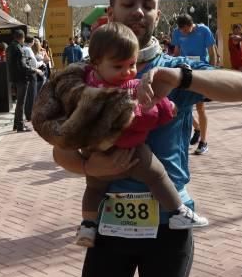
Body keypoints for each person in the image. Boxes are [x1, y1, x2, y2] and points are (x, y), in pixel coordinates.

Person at [35, 0, 242, 277]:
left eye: (148, 4)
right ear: (111, 10)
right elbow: (59, 148)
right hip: (109, 222)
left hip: (168, 225)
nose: (139, 11)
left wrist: (183, 78)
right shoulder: (88, 75)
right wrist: (88, 167)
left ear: (158, 14)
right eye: (129, 3)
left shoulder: (173, 68)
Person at [47, 22, 209, 247]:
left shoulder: (82, 86)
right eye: (118, 67)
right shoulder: (131, 86)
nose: (127, 72)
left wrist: (88, 165)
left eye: (132, 64)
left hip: (95, 155)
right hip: (132, 152)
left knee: (93, 187)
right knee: (158, 176)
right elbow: (146, 116)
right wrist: (166, 110)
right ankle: (177, 212)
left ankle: (88, 224)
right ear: (96, 64)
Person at [171, 14, 217, 155]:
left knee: (200, 107)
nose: (184, 32)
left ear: (192, 24)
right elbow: (177, 52)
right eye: (182, 30)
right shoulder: (176, 33)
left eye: (187, 30)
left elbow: (212, 52)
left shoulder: (204, 30)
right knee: (180, 106)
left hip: (201, 72)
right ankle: (196, 128)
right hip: (185, 72)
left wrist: (211, 73)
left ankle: (203, 142)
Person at [6, 29, 35, 132]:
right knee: (21, 103)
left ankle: (16, 124)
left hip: (14, 78)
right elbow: (23, 66)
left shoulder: (9, 47)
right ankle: (20, 126)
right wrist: (34, 70)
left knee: (19, 103)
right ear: (22, 38)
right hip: (22, 78)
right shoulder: (18, 48)